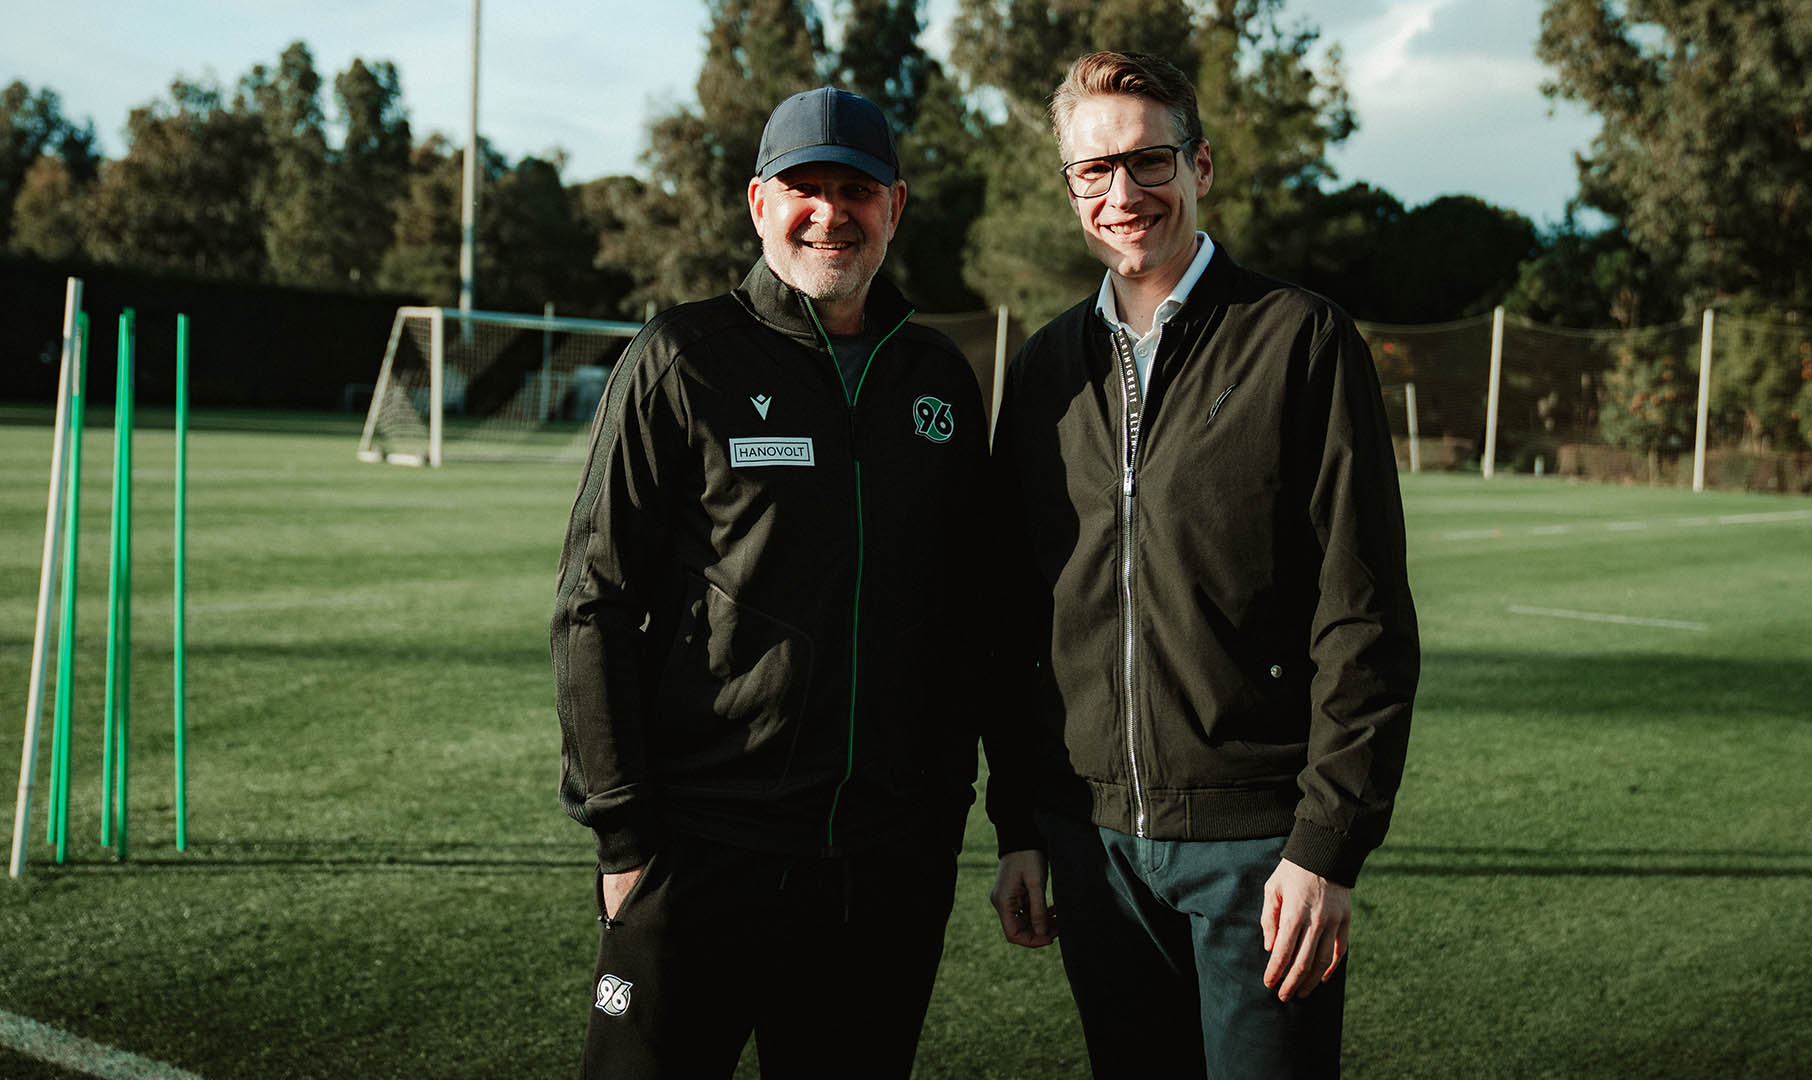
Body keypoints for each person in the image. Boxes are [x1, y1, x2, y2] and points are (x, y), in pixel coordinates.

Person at [984, 51, 1420, 1078]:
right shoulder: (1047, 367)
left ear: (1202, 166)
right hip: (1090, 845)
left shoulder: (1298, 339)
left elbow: (1361, 612)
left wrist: (1325, 843)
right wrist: (1021, 821)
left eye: (1149, 161)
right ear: (1071, 187)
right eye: (1093, 170)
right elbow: (1015, 616)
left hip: (1258, 850)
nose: (1122, 193)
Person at [551, 86, 989, 1079]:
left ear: (895, 207)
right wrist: (624, 834)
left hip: (882, 870)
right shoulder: (681, 358)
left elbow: (969, 621)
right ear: (758, 203)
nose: (829, 212)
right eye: (804, 188)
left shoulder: (938, 379)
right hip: (701, 851)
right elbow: (593, 604)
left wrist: (946, 820)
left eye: (855, 190)